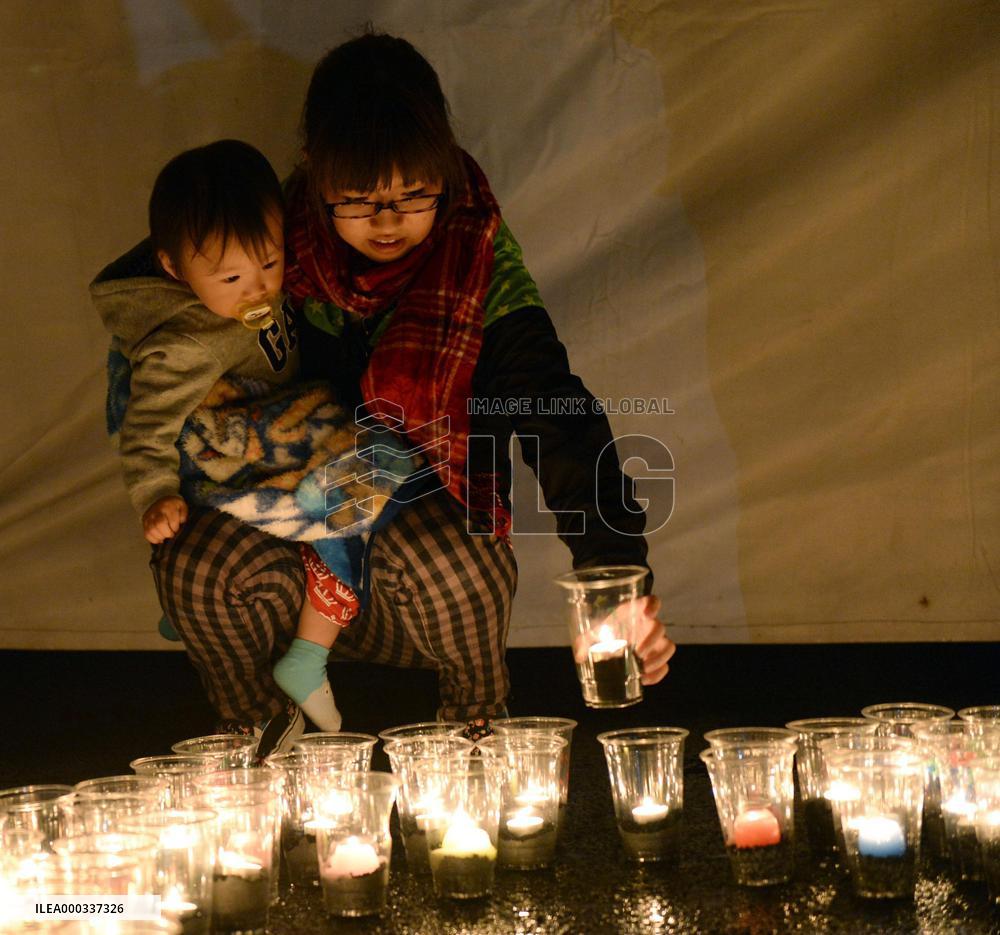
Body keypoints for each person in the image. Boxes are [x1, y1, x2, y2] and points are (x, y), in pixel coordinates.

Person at [134, 31, 675, 754]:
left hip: (414, 566)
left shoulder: (479, 266)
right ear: (315, 176)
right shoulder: (267, 246)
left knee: (455, 558)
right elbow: (167, 331)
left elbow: (555, 414)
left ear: (444, 173)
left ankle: (476, 740)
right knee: (197, 563)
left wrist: (616, 576)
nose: (386, 223)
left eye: (412, 196)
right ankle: (256, 741)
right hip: (288, 556)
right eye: (358, 201)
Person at [91, 139, 372, 741]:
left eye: (270, 263)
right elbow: (145, 427)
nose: (258, 288)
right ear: (173, 269)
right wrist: (154, 493)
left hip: (288, 420)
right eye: (232, 277)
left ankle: (197, 619)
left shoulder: (268, 285)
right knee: (356, 496)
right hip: (232, 459)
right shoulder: (185, 345)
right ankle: (307, 658)